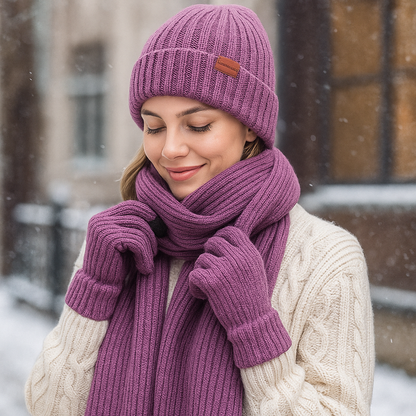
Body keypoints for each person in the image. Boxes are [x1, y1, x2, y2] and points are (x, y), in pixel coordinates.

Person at [25, 4, 375, 415]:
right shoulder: (119, 244)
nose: (169, 149)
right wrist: (93, 290)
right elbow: (49, 406)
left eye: (197, 125)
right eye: (154, 127)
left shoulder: (325, 259)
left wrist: (254, 328)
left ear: (249, 127)